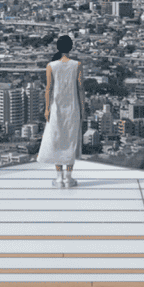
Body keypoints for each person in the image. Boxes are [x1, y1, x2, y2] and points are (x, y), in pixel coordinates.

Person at [36, 34, 86, 187]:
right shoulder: (77, 65)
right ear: (71, 47)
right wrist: (83, 108)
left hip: (55, 107)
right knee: (70, 141)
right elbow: (80, 89)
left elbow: (48, 89)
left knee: (57, 140)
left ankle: (59, 178)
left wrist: (46, 108)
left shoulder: (51, 66)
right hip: (73, 107)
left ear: (58, 48)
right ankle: (68, 179)